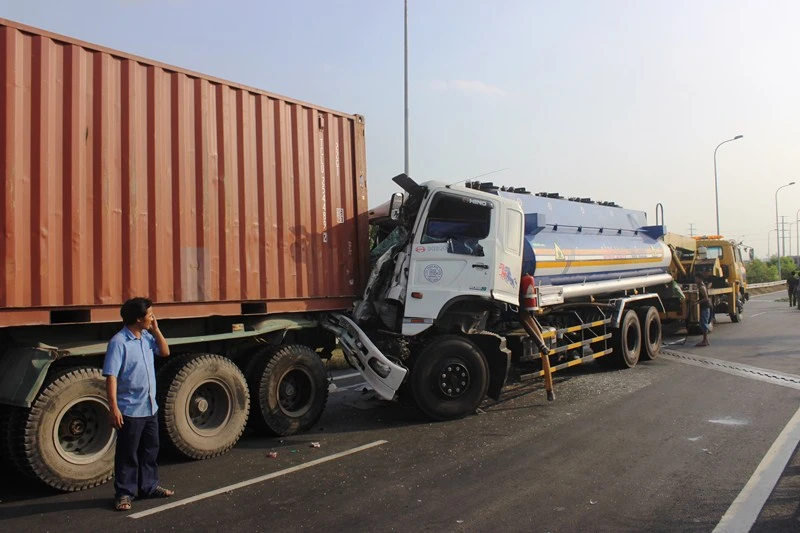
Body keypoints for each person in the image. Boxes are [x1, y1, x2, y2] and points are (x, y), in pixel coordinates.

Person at [103, 297, 174, 511]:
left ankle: (148, 486)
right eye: (150, 315)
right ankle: (124, 493)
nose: (152, 318)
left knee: (150, 450)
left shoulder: (146, 337)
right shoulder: (119, 342)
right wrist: (113, 408)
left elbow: (165, 352)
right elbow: (111, 376)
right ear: (138, 319)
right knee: (128, 453)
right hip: (130, 409)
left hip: (149, 406)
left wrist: (156, 330)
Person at [695, 274, 712, 347]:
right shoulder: (701, 286)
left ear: (700, 279)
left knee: (704, 323)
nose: (695, 280)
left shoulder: (702, 287)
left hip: (705, 307)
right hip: (704, 307)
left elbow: (706, 298)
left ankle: (705, 340)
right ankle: (704, 340)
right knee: (702, 323)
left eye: (696, 278)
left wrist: (697, 302)